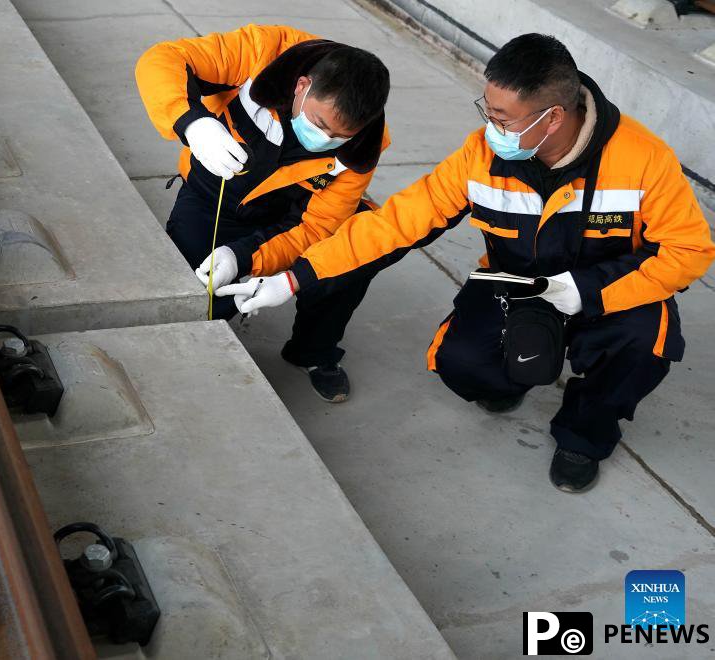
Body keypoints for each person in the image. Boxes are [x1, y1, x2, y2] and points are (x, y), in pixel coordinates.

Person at [218, 34, 715, 492]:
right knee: (462, 363)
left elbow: (689, 251)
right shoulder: (481, 157)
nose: (488, 126)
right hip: (517, 284)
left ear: (554, 118)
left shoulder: (644, 159)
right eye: (486, 108)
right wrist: (293, 278)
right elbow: (393, 224)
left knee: (642, 345)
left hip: (614, 289)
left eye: (502, 117)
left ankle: (583, 437)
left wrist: (589, 291)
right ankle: (508, 378)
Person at [135, 24, 390, 402]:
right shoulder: (263, 51)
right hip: (214, 192)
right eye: (320, 124)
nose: (326, 139)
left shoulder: (363, 148)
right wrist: (192, 123)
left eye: (340, 135)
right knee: (197, 292)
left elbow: (317, 226)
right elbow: (161, 60)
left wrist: (244, 256)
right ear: (302, 86)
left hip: (285, 216)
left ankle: (314, 351)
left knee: (353, 251)